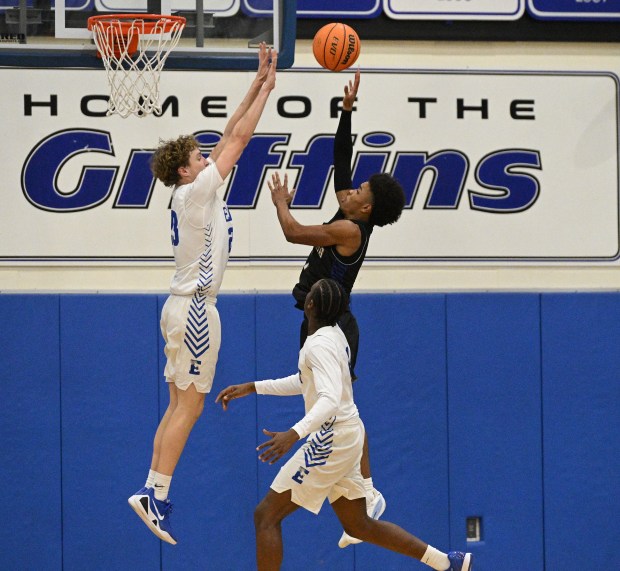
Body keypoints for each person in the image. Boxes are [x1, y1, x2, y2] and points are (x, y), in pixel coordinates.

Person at [127, 43, 278, 546]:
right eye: (198, 155)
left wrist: (260, 84)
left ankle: (153, 490)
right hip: (195, 308)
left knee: (177, 407)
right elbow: (240, 137)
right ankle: (155, 494)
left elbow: (231, 132)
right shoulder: (194, 192)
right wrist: (263, 94)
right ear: (184, 171)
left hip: (179, 306)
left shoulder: (190, 191)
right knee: (189, 409)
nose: (206, 156)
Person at [215, 278, 473, 571]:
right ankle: (446, 562)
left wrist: (293, 434)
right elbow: (305, 381)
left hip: (331, 439)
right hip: (348, 435)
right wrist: (253, 386)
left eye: (309, 292)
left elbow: (329, 401)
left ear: (310, 305)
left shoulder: (318, 345)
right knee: (359, 524)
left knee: (266, 516)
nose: (305, 293)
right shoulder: (333, 334)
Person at [267, 69, 406, 548]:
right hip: (327, 319)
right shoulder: (352, 211)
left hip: (334, 324)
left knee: (337, 404)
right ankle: (363, 493)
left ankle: (365, 492)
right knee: (340, 402)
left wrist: (281, 203)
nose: (349, 191)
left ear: (365, 210)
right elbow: (341, 160)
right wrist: (346, 113)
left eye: (359, 193)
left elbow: (292, 233)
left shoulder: (349, 230)